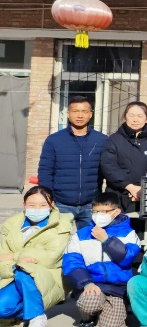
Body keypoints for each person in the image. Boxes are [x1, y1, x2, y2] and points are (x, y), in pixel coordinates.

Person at [0, 186, 75, 327]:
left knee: (25, 269)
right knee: (2, 309)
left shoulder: (61, 225)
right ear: (24, 205)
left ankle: (37, 317)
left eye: (43, 205)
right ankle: (27, 309)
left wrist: (14, 256)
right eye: (32, 205)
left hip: (49, 277)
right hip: (14, 275)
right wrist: (15, 263)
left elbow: (51, 258)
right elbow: (1, 257)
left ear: (52, 205)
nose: (37, 209)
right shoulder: (11, 225)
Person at [63, 191, 140, 327]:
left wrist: (107, 240)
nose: (99, 215)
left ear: (116, 211)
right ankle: (87, 319)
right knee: (88, 303)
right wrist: (86, 283)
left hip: (118, 288)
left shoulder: (129, 234)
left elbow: (127, 258)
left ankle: (111, 309)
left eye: (104, 212)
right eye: (95, 211)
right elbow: (72, 262)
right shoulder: (81, 234)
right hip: (93, 284)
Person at [37, 95, 107, 228]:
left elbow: (108, 170)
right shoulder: (54, 140)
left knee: (88, 239)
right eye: (75, 111)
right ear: (68, 114)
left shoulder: (101, 140)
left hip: (91, 203)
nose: (80, 115)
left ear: (90, 114)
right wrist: (47, 197)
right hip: (61, 203)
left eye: (84, 111)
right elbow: (45, 171)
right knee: (60, 239)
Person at [100, 101, 147, 213]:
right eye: (131, 115)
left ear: (146, 118)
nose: (135, 120)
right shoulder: (114, 140)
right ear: (125, 116)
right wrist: (130, 187)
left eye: (140, 116)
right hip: (118, 197)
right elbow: (109, 167)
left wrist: (142, 190)